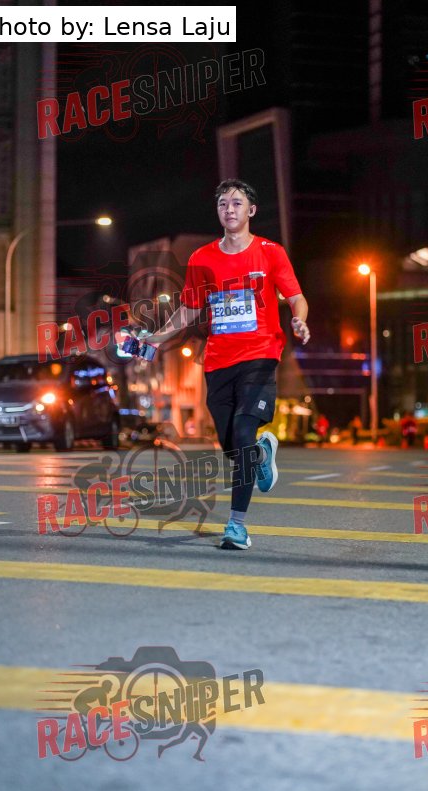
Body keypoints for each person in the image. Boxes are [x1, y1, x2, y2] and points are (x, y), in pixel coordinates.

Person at [140, 178, 310, 550]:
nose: (229, 209)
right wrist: (157, 337)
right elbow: (190, 309)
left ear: (251, 210)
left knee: (244, 432)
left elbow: (296, 296)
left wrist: (299, 319)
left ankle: (237, 525)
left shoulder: (270, 252)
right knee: (233, 448)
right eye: (222, 204)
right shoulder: (201, 258)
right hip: (218, 361)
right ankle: (261, 453)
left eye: (236, 203)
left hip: (261, 355)